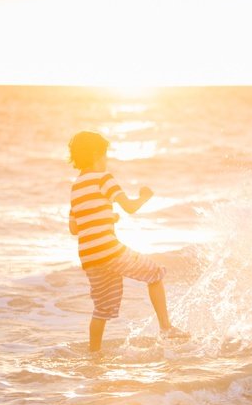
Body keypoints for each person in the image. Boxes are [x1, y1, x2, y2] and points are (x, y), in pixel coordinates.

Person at [68, 130, 187, 352]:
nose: (106, 160)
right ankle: (166, 328)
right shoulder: (104, 178)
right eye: (104, 155)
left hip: (88, 256)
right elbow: (130, 207)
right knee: (155, 274)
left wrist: (108, 216)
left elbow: (74, 227)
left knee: (101, 309)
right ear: (96, 154)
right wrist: (144, 197)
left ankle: (94, 354)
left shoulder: (76, 187)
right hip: (109, 250)